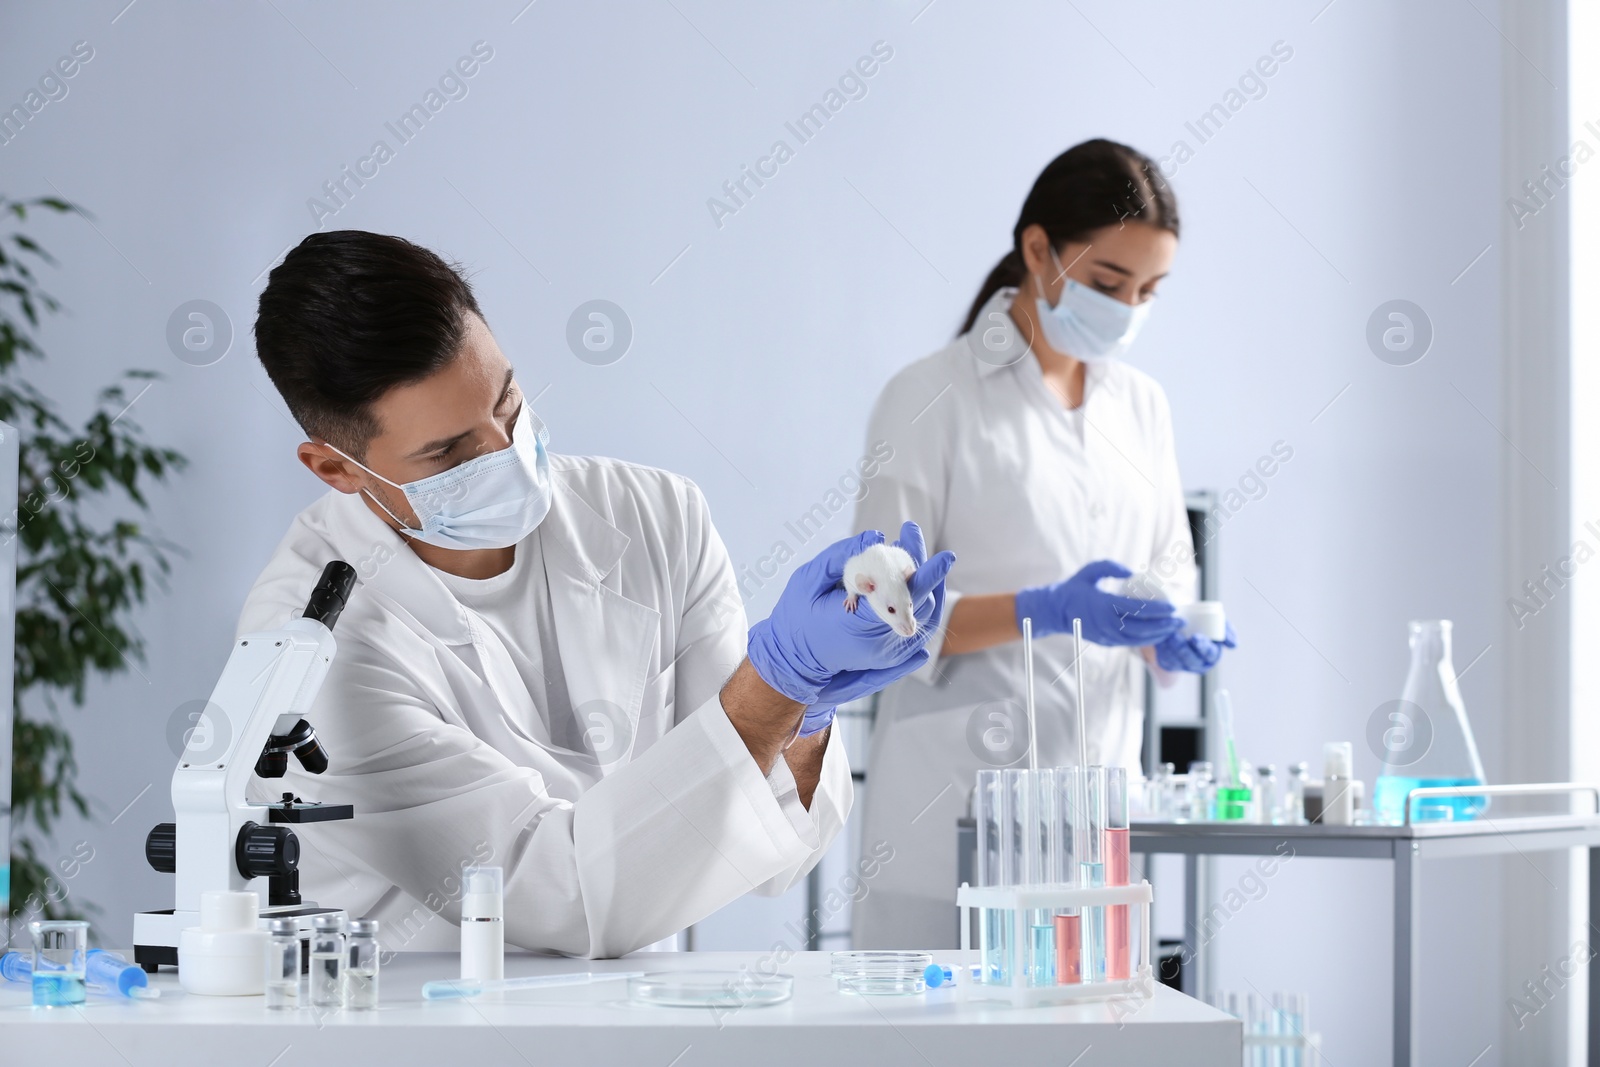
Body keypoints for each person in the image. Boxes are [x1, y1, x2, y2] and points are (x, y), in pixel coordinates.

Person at [243, 230, 954, 958]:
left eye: (508, 401)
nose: (506, 452)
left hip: (634, 1011)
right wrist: (777, 683)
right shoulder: (309, 651)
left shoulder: (655, 515)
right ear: (336, 469)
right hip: (427, 1026)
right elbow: (564, 899)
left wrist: (806, 709)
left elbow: (772, 846)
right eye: (449, 451)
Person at [850, 140, 1234, 949]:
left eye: (1149, 290)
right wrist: (1046, 609)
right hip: (949, 825)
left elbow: (1167, 571)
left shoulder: (1144, 408)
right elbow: (878, 617)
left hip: (1097, 829)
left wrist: (1174, 636)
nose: (1129, 309)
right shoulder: (927, 398)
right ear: (1038, 250)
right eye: (1107, 283)